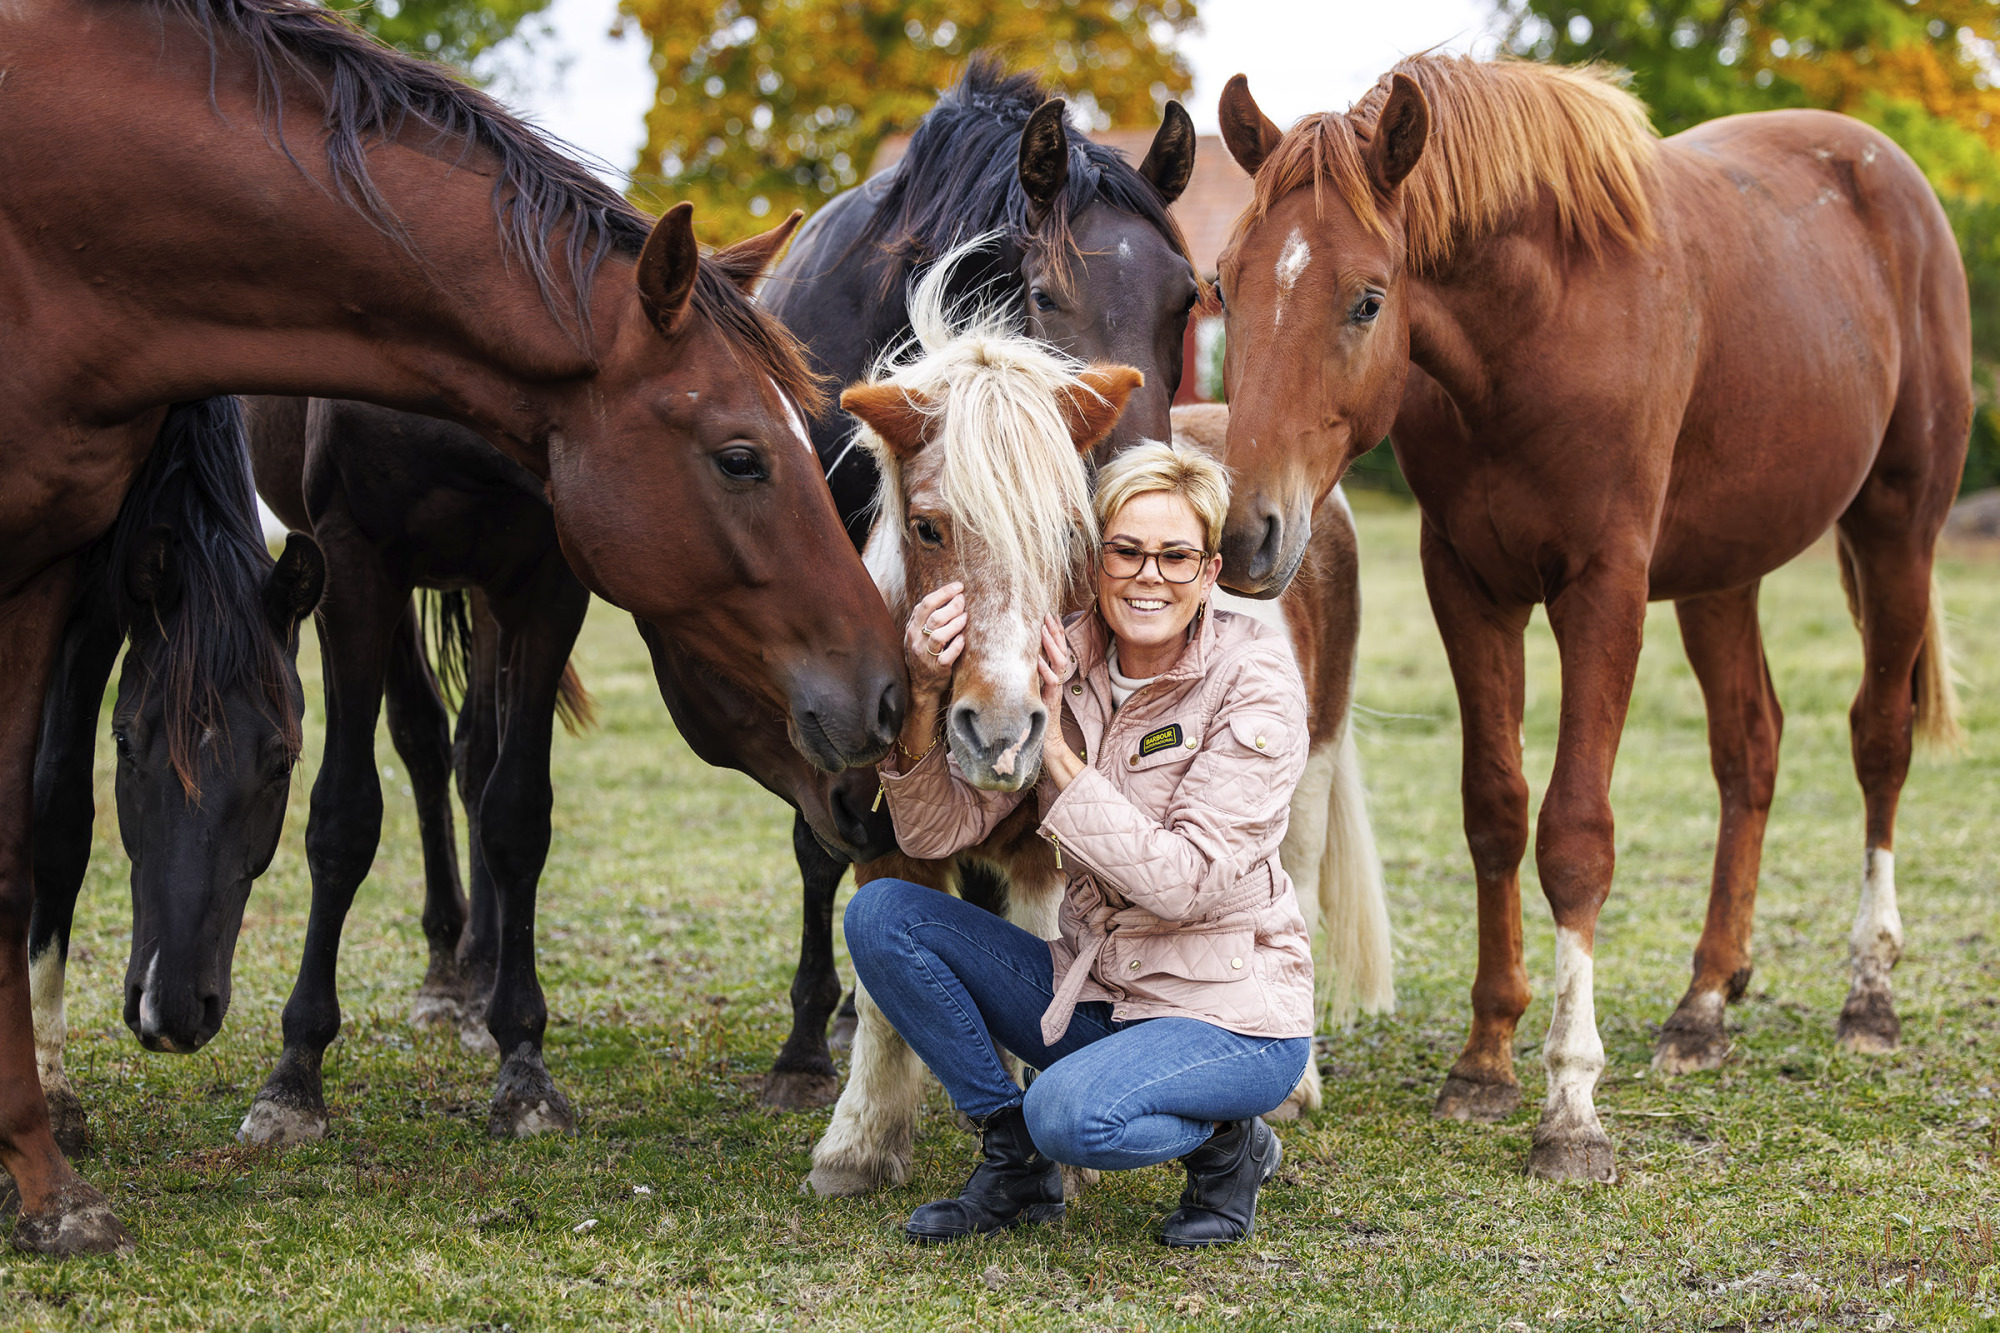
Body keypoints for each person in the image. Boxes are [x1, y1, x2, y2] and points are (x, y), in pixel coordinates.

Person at [845, 440, 1315, 1247]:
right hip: (1098, 995)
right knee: (886, 913)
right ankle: (1011, 1154)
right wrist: (925, 693)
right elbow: (934, 831)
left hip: (1232, 1019)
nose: (1148, 576)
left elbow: (1184, 882)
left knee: (1067, 1113)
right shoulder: (1068, 656)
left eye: (1176, 556)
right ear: (1095, 562)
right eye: (1127, 551)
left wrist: (1058, 758)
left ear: (1209, 572)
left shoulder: (1256, 675)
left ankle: (1230, 1144)